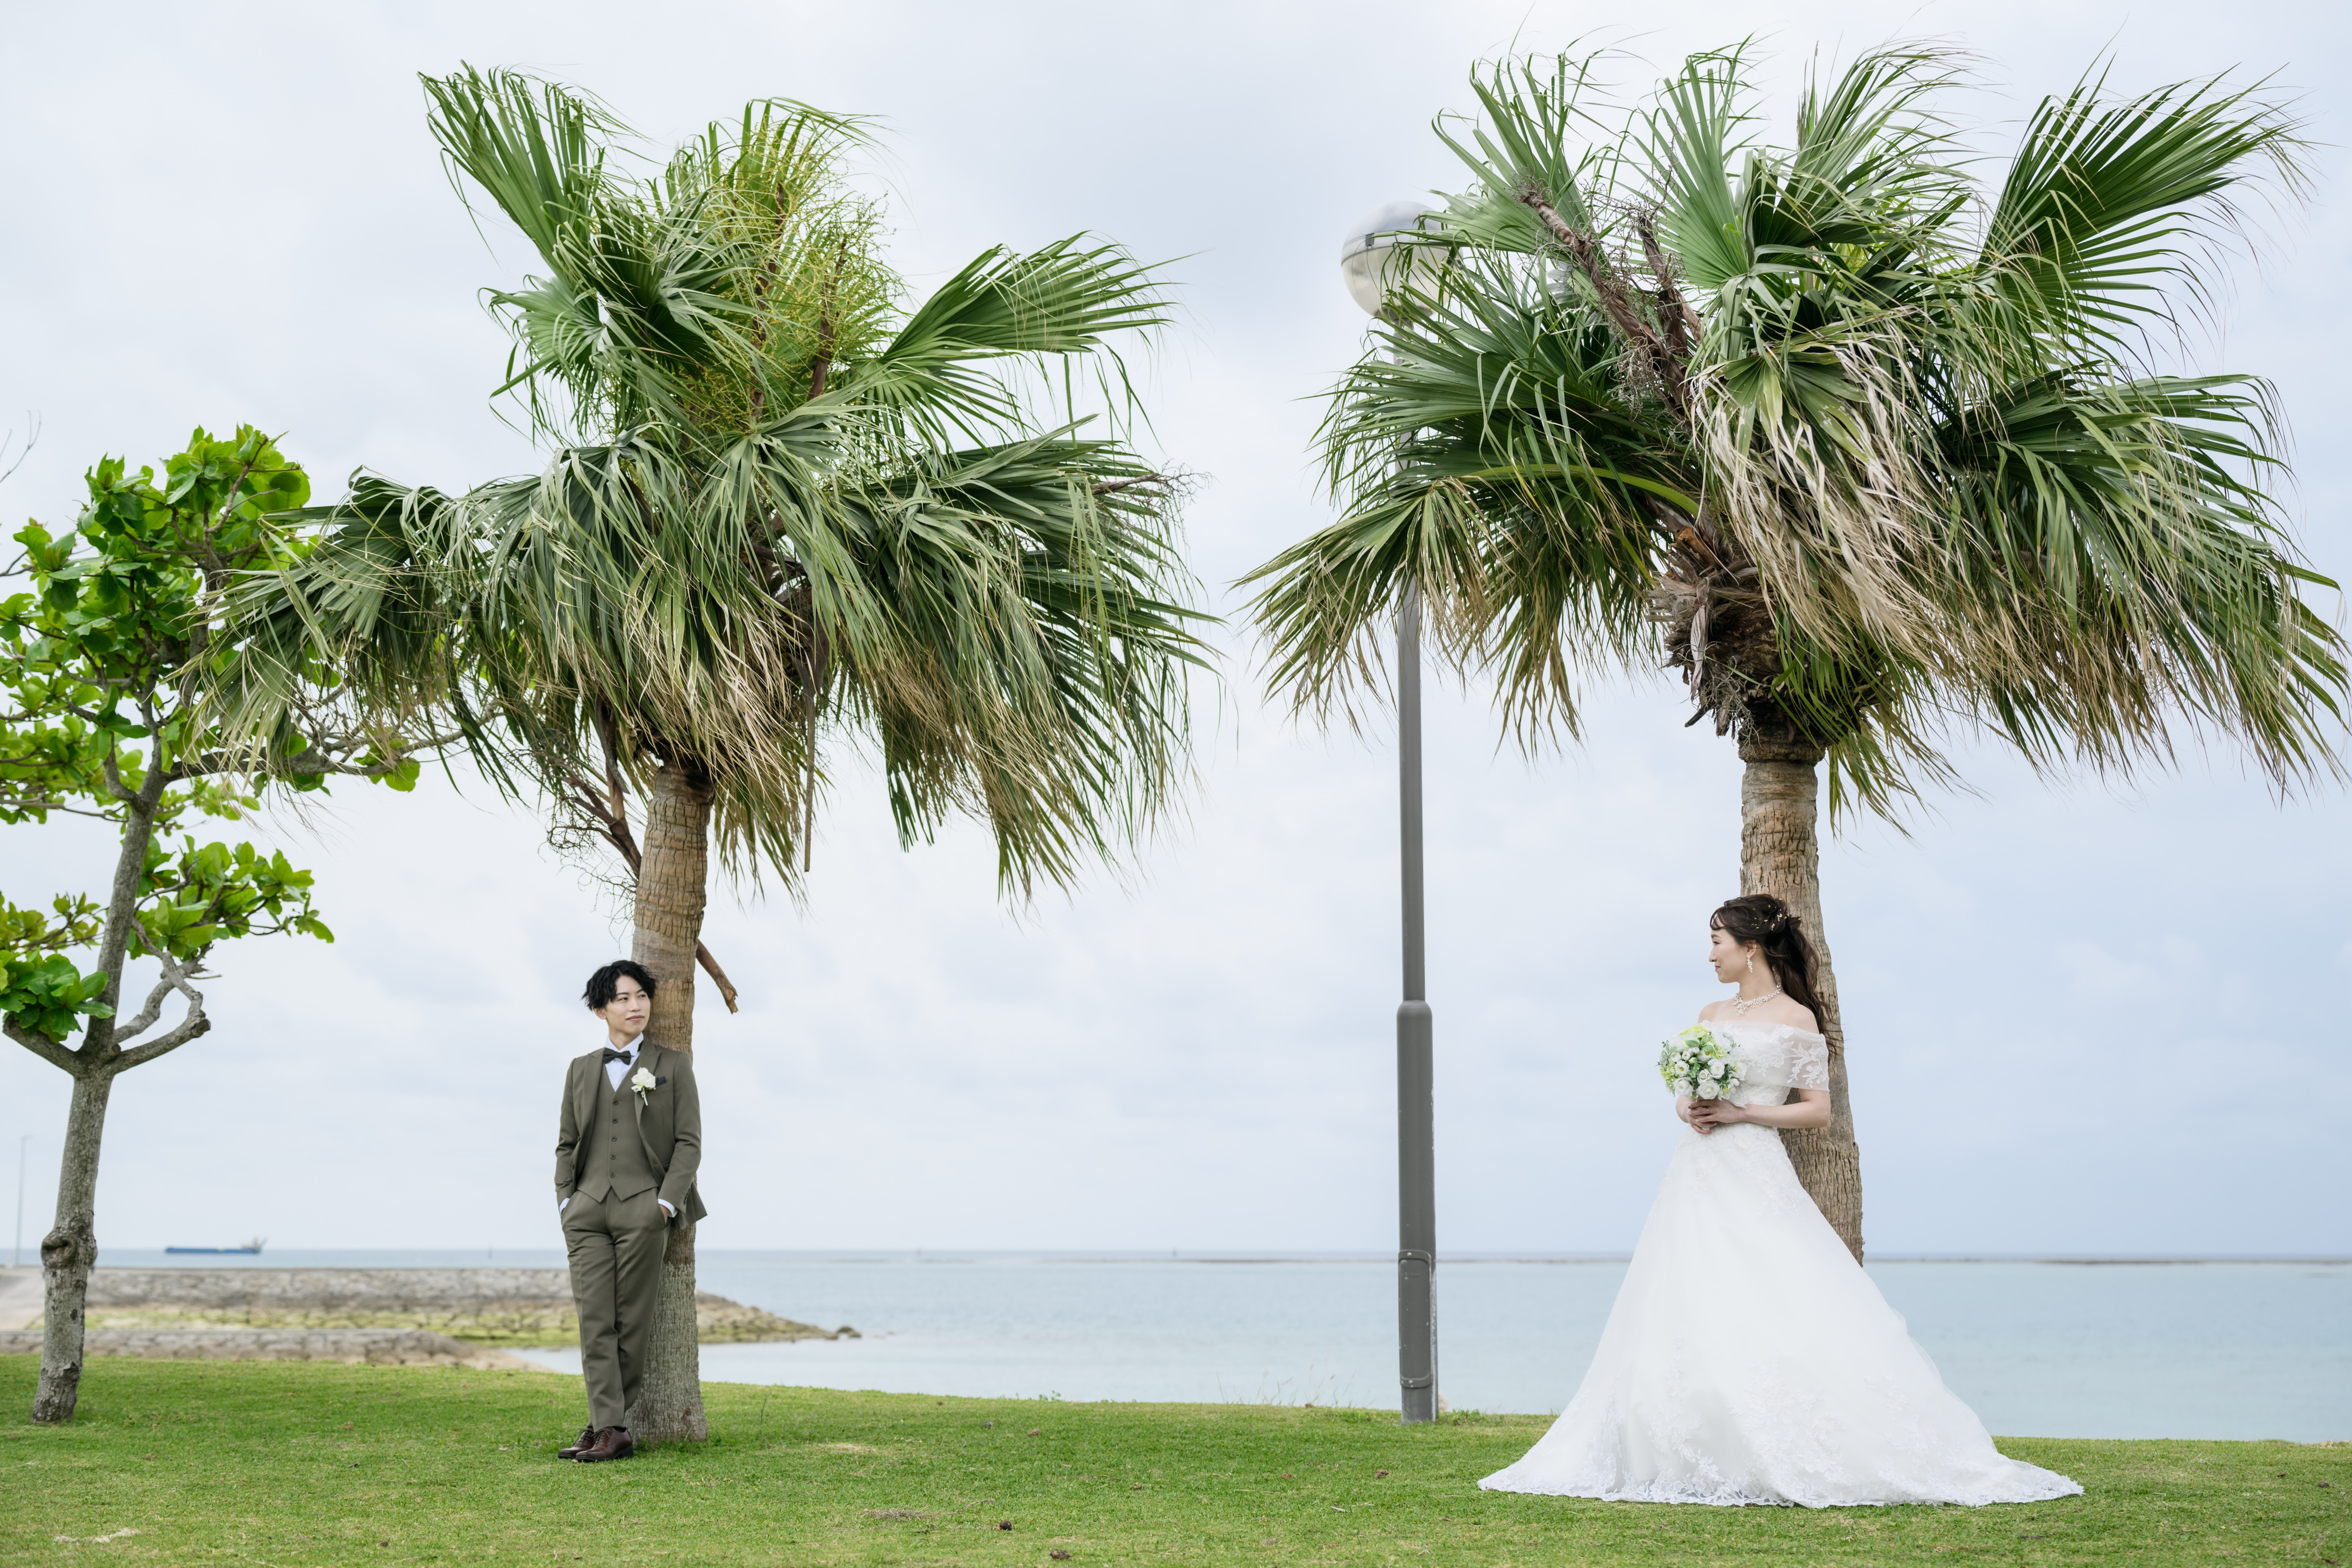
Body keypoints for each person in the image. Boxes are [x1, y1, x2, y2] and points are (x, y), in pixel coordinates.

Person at [1479, 893, 2080, 1507]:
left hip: (1753, 1167)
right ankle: (1679, 1440)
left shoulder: (1796, 1019)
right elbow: (1684, 1095)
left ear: (1751, 947)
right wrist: (1687, 1105)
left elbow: (1815, 1109)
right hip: (1696, 1169)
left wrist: (1742, 1112)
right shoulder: (1709, 1011)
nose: (1709, 954)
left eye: (1717, 941)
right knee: (1682, 1291)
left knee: (1768, 1287)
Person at [552, 959, 707, 1463]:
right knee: (594, 1319)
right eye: (622, 998)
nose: (635, 1005)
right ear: (601, 1009)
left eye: (641, 995)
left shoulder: (673, 1064)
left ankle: (607, 1426)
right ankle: (608, 1426)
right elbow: (566, 1143)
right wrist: (566, 1200)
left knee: (631, 1321)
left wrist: (664, 1201)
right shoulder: (579, 1069)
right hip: (587, 1211)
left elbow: (689, 1143)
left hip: (644, 1206)